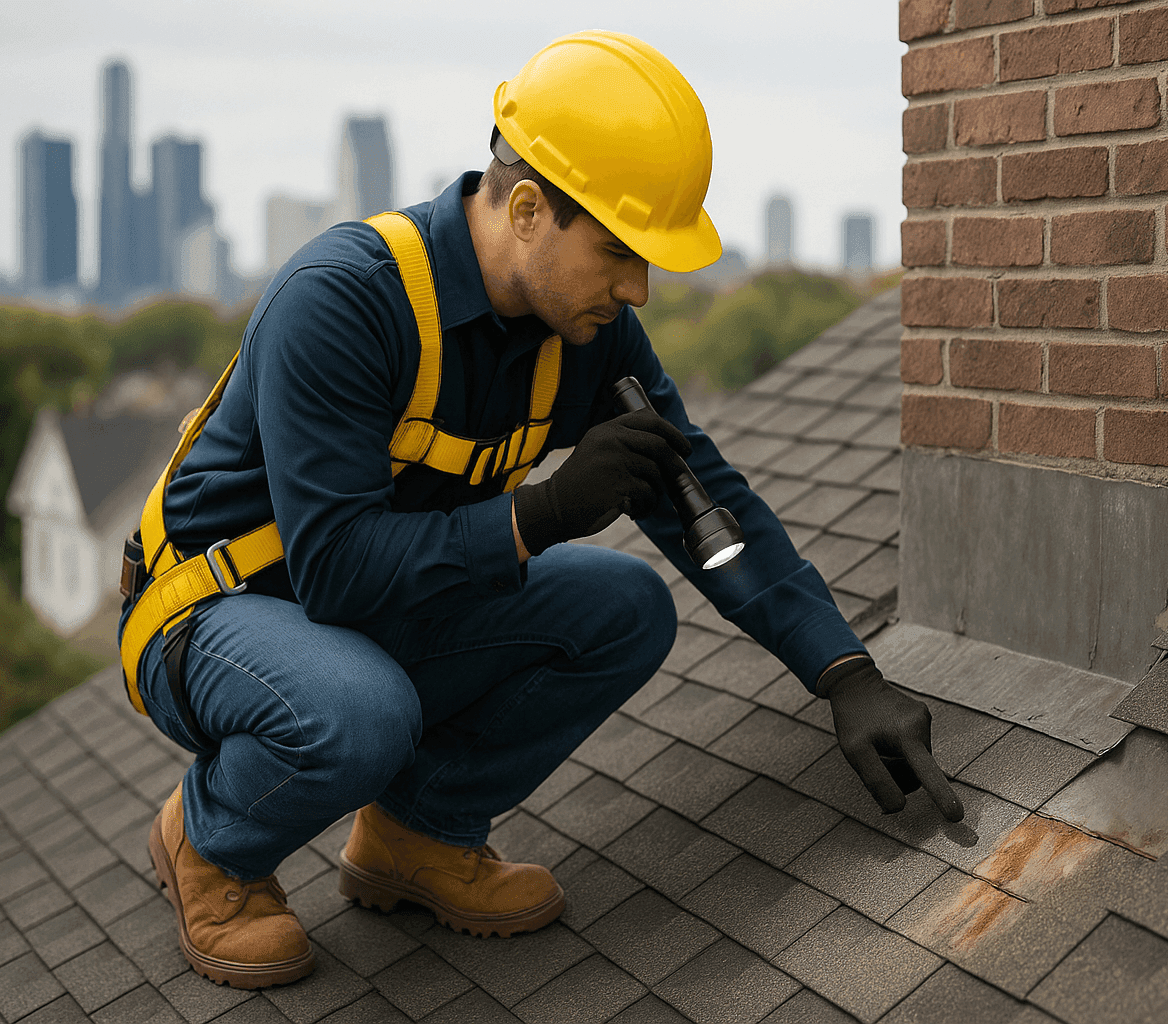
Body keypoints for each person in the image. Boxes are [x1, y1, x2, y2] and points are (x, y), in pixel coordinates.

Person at [117, 30, 963, 990]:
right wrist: (544, 510)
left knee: (622, 608)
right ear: (527, 209)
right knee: (357, 709)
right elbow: (338, 572)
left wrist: (843, 669)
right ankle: (213, 842)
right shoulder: (345, 301)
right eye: (619, 254)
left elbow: (706, 499)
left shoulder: (588, 335)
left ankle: (416, 833)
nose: (637, 289)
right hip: (211, 616)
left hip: (358, 619)